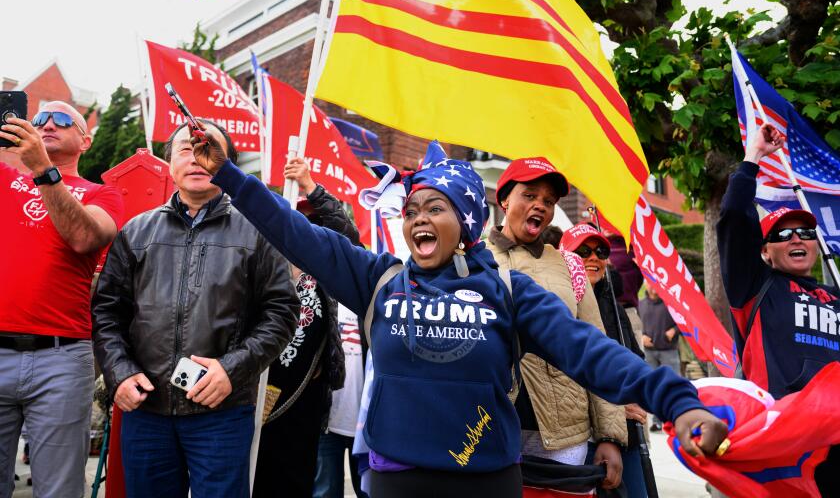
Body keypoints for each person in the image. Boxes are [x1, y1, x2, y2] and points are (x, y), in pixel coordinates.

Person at [192, 132, 728, 498]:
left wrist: (676, 401)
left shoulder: (510, 292)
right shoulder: (378, 279)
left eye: (434, 208)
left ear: (466, 221)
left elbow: (591, 352)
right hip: (396, 481)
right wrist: (231, 177)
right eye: (411, 212)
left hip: (487, 480)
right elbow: (294, 231)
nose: (417, 220)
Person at [91, 121, 299, 498]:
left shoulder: (257, 232)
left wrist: (232, 369)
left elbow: (282, 312)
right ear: (169, 162)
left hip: (221, 410)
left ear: (228, 164)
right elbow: (106, 312)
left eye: (208, 149)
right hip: (146, 409)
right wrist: (119, 373)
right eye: (187, 149)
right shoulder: (135, 232)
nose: (197, 158)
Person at [0, 102, 123, 497]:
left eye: (63, 119)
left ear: (85, 140)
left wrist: (41, 170)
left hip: (61, 358)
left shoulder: (103, 194)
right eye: (38, 119)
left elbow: (86, 237)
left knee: (58, 489)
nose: (47, 124)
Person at [488, 157, 627, 492]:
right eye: (529, 195)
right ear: (504, 199)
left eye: (548, 201)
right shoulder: (470, 259)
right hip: (490, 427)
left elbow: (597, 349)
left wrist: (610, 436)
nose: (540, 206)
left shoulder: (569, 265)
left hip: (566, 434)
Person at [717, 122, 840, 497]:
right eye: (783, 235)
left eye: (805, 232)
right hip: (781, 443)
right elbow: (735, 219)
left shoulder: (835, 297)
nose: (797, 238)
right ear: (765, 251)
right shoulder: (755, 286)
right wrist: (752, 158)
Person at [253, 157, 360, 498]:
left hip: (306, 398)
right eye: (296, 222)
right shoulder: (261, 267)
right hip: (258, 390)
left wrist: (310, 186)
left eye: (311, 223)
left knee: (299, 481)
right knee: (256, 476)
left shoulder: (324, 272)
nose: (304, 229)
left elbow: (349, 238)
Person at [560, 224, 649, 498]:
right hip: (578, 440)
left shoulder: (614, 306)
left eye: (600, 251)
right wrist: (614, 406)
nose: (594, 258)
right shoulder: (555, 305)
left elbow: (635, 363)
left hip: (626, 436)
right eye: (583, 251)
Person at [312, 303, 369, 498]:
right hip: (327, 423)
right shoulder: (322, 301)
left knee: (369, 492)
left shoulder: (369, 301)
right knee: (324, 492)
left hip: (366, 428)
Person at [638, 281, 680, 431]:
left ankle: (676, 418)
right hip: (649, 352)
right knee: (653, 387)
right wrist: (641, 336)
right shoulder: (640, 304)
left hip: (669, 350)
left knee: (672, 385)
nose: (652, 286)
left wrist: (674, 331)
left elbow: (682, 321)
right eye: (649, 283)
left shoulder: (670, 303)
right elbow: (636, 324)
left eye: (654, 283)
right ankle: (657, 421)